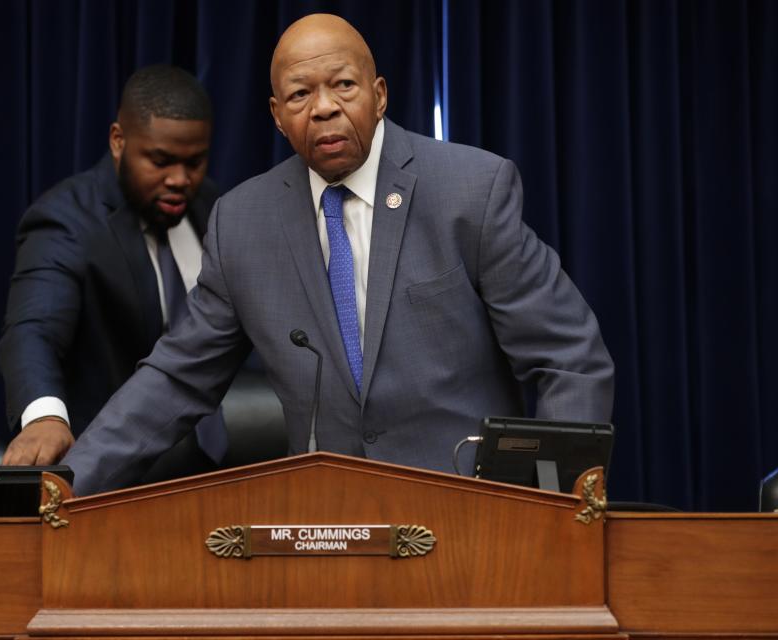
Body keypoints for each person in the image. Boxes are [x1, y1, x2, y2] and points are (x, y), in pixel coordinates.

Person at [61, 14, 614, 495]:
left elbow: (569, 357)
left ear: (378, 95)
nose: (323, 108)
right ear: (277, 116)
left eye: (343, 85)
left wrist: (551, 509)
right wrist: (66, 482)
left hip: (468, 512)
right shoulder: (244, 222)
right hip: (329, 528)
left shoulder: (469, 191)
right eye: (300, 94)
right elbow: (177, 379)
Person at [0, 65, 226, 467]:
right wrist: (44, 415)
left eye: (195, 162)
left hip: (211, 468)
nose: (180, 179)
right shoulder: (67, 220)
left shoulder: (212, 208)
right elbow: (34, 330)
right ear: (119, 141)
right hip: (111, 475)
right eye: (160, 160)